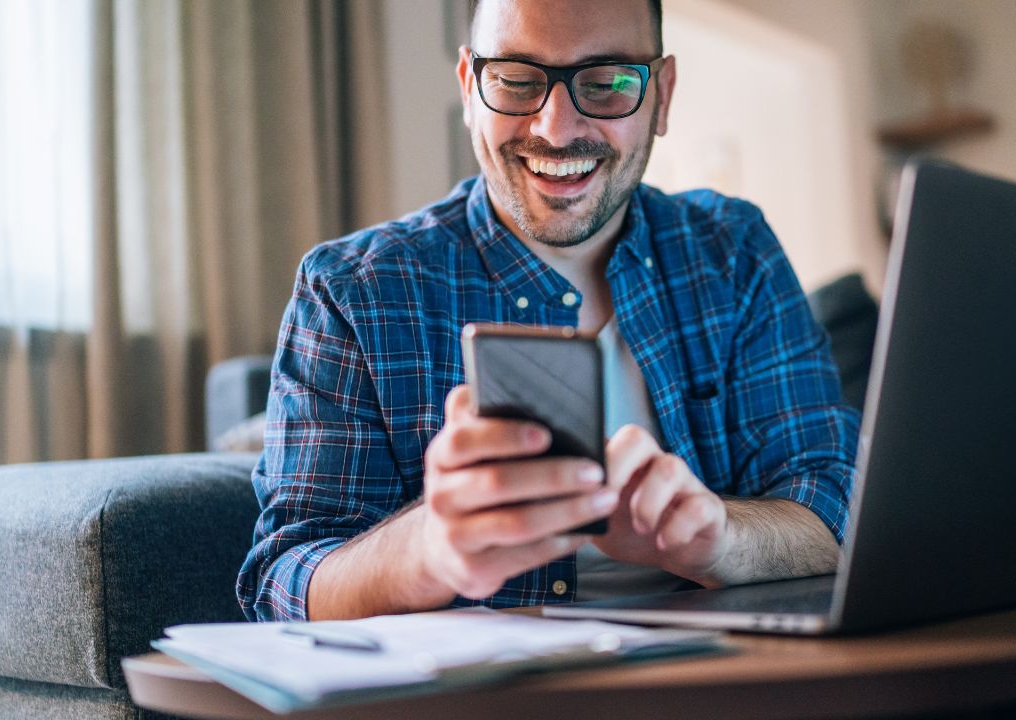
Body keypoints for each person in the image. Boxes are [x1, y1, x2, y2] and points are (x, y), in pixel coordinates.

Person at [237, 0, 859, 622]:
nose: (556, 129)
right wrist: (428, 550)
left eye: (608, 82)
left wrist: (716, 538)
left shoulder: (734, 251)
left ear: (662, 96)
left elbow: (839, 501)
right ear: (469, 88)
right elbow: (284, 584)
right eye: (515, 79)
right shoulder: (352, 288)